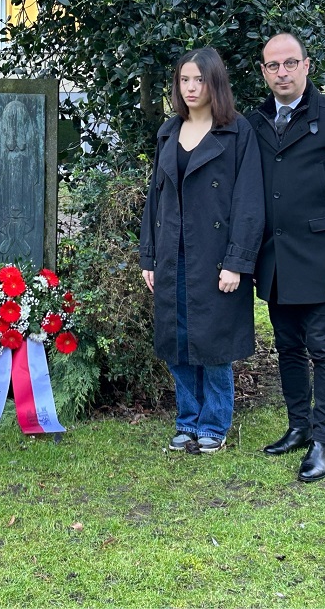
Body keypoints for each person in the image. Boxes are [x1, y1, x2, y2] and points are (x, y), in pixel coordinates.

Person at [247, 32, 325, 482]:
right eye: (272, 66)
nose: (282, 72)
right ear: (264, 72)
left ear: (306, 66)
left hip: (324, 259)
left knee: (324, 348)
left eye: (289, 63)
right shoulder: (255, 121)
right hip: (276, 259)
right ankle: (298, 426)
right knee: (288, 348)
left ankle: (322, 440)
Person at [139, 47, 264, 454]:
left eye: (199, 80)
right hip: (172, 256)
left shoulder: (237, 131)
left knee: (214, 346)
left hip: (215, 258)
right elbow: (154, 201)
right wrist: (149, 257)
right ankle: (187, 421)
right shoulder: (168, 131)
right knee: (178, 344)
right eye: (184, 80)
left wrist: (237, 262)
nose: (191, 88)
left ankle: (214, 424)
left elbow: (249, 201)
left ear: (215, 83)